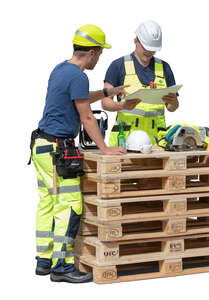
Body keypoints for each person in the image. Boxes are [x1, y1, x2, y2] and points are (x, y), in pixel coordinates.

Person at [29, 24, 126, 283]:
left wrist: (109, 92)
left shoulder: (61, 70)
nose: (99, 58)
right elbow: (86, 116)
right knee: (69, 206)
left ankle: (44, 260)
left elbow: (81, 98)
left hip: (41, 147)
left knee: (47, 204)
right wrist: (105, 149)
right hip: (57, 151)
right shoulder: (78, 76)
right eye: (100, 54)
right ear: (92, 52)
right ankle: (62, 266)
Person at [102, 20, 179, 146]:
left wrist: (174, 103)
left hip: (156, 142)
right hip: (125, 140)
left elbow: (172, 107)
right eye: (146, 47)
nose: (149, 52)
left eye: (152, 49)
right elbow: (105, 103)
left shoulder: (164, 68)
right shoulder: (118, 66)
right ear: (136, 41)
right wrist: (123, 106)